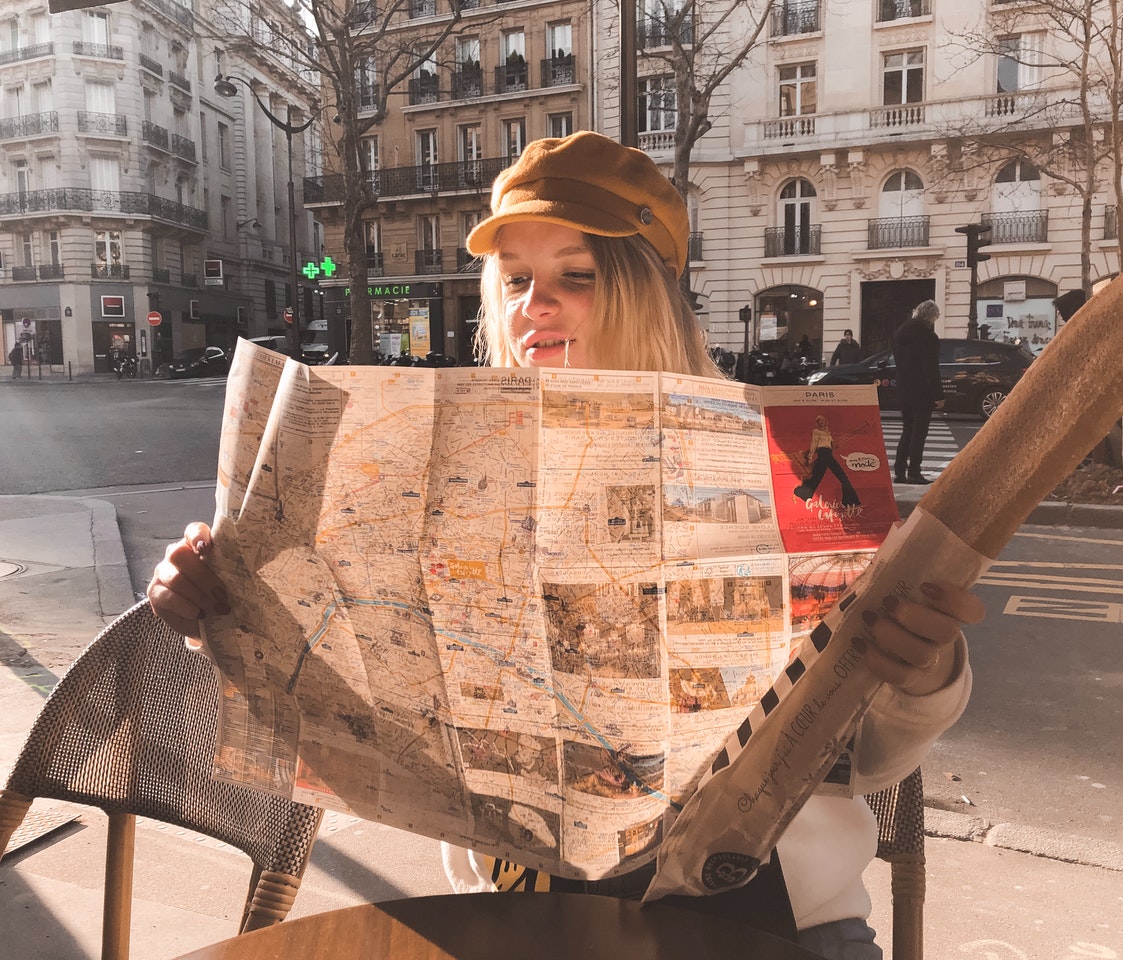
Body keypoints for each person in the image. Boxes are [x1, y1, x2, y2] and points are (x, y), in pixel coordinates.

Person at [147, 131, 983, 960]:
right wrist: (223, 607)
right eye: (514, 280)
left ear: (651, 290)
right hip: (509, 917)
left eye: (574, 277)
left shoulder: (789, 459)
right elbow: (364, 698)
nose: (530, 307)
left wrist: (922, 673)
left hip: (777, 921)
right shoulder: (450, 474)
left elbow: (867, 759)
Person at [891, 300, 944, 485]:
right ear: (930, 317)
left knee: (907, 430)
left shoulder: (899, 333)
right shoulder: (928, 337)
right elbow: (930, 369)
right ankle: (914, 471)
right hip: (921, 391)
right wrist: (938, 395)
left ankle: (899, 471)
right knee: (919, 433)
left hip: (904, 388)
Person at [794, 414, 860, 508]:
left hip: (828, 454)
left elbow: (832, 446)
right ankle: (850, 500)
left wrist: (836, 445)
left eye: (823, 420)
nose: (821, 422)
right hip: (823, 454)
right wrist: (810, 456)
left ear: (825, 422)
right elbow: (814, 443)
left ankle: (849, 500)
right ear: (817, 423)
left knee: (818, 477)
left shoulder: (828, 433)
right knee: (837, 476)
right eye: (819, 421)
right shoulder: (816, 431)